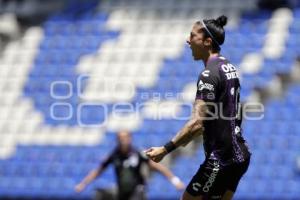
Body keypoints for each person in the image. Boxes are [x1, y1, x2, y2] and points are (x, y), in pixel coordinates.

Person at [145, 15, 251, 200]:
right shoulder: (229, 67)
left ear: (207, 42)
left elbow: (197, 123)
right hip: (240, 154)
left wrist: (165, 149)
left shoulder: (209, 74)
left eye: (193, 36)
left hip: (222, 158)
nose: (188, 40)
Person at [75, 130, 185, 200]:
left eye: (125, 137)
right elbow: (98, 170)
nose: (123, 140)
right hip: (122, 192)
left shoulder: (138, 154)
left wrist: (175, 180)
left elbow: (158, 167)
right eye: (120, 138)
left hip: (137, 190)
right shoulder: (114, 155)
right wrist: (83, 184)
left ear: (130, 138)